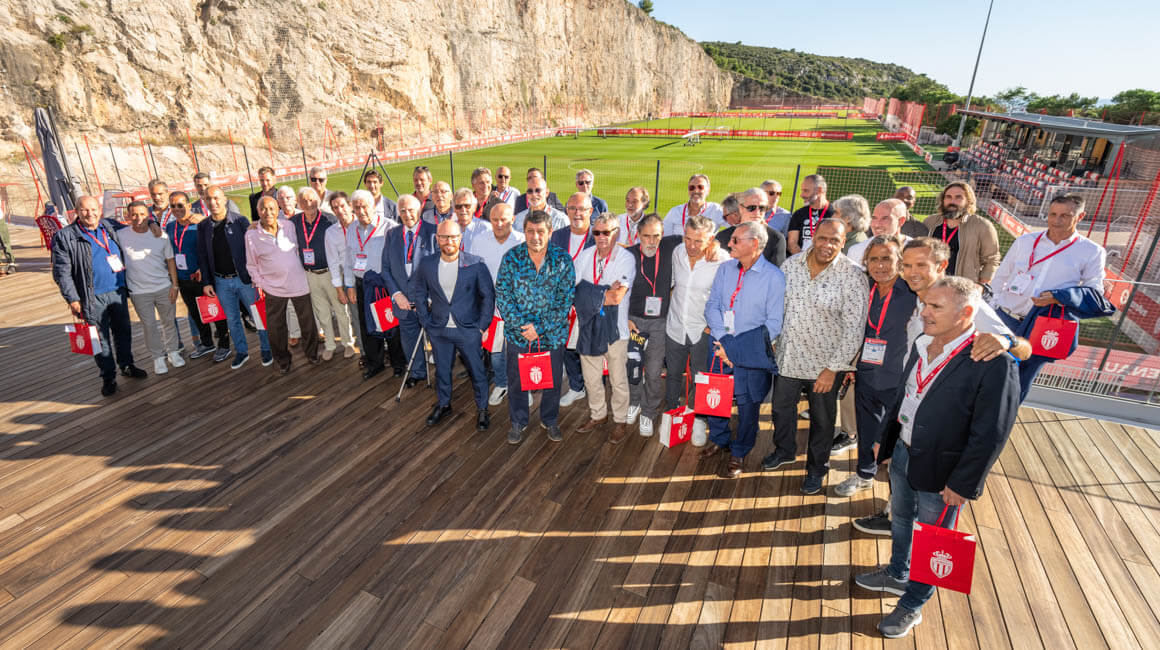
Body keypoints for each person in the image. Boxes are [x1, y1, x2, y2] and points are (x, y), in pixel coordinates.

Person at [855, 276, 1019, 639]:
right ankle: (897, 573)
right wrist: (887, 439)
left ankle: (913, 604)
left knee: (935, 539)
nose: (924, 312)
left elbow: (990, 434)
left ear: (967, 314)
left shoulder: (993, 363)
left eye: (935, 307)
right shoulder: (922, 342)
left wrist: (963, 484)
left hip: (945, 471)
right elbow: (905, 396)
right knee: (900, 518)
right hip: (903, 453)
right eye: (925, 304)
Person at [850, 236, 1031, 536]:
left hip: (943, 428)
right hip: (911, 405)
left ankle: (915, 572)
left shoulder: (958, 301)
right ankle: (894, 521)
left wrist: (1008, 340)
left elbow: (1022, 350)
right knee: (906, 488)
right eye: (907, 265)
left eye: (921, 265)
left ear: (942, 266)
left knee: (933, 522)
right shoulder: (915, 297)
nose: (911, 272)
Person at [763, 219, 869, 495]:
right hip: (788, 357)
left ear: (844, 241)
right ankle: (784, 451)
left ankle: (816, 468)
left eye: (835, 240)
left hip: (824, 366)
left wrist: (833, 369)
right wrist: (773, 341)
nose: (827, 245)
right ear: (813, 237)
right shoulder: (791, 265)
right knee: (780, 411)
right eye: (822, 238)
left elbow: (854, 329)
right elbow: (777, 308)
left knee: (822, 422)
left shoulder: (853, 276)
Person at [989, 193, 1107, 399]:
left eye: (1065, 215)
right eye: (1052, 214)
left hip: (1044, 326)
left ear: (1080, 217)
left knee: (1021, 381)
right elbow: (1001, 276)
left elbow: (1094, 291)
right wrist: (994, 306)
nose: (1056, 220)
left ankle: (1002, 423)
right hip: (1006, 318)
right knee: (988, 372)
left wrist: (1058, 297)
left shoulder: (1091, 251)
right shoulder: (1025, 241)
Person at [831, 235, 917, 497]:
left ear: (899, 261)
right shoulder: (862, 287)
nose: (880, 265)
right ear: (866, 262)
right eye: (874, 259)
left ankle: (898, 496)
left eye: (887, 259)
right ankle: (864, 474)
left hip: (900, 377)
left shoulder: (912, 292)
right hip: (866, 371)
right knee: (867, 429)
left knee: (899, 438)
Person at [701, 221, 786, 478]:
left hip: (750, 354)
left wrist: (735, 349)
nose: (729, 244)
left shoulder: (774, 277)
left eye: (736, 240)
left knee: (749, 406)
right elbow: (712, 305)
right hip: (719, 344)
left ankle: (740, 449)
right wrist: (723, 339)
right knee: (715, 395)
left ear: (755, 244)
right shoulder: (726, 269)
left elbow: (774, 324)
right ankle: (719, 437)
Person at [52, 196, 149, 396]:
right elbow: (62, 272)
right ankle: (108, 376)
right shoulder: (65, 236)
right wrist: (72, 298)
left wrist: (154, 224)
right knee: (100, 339)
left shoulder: (109, 226)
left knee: (123, 331)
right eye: (85, 210)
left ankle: (127, 365)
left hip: (118, 290)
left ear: (100, 210)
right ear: (76, 211)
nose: (90, 214)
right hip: (91, 296)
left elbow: (138, 223)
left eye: (94, 209)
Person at [496, 210, 576, 444]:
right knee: (517, 381)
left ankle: (549, 420)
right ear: (524, 231)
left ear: (550, 232)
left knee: (551, 381)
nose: (535, 236)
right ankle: (518, 421)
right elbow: (503, 295)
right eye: (530, 231)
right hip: (519, 336)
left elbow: (565, 300)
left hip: (551, 336)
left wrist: (539, 328)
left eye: (540, 231)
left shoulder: (562, 259)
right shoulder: (511, 258)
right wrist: (524, 327)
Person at [411, 219, 496, 430]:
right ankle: (443, 404)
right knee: (441, 370)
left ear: (460, 238)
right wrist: (425, 321)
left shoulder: (476, 264)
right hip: (439, 329)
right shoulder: (427, 264)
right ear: (437, 239)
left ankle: (483, 409)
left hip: (468, 330)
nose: (448, 241)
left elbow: (488, 297)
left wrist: (481, 327)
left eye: (453, 236)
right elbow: (419, 292)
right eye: (444, 237)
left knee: (477, 372)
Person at [572, 213, 635, 442]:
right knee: (591, 377)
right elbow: (573, 291)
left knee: (618, 379)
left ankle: (620, 420)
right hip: (588, 325)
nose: (601, 237)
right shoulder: (585, 256)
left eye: (606, 232)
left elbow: (617, 297)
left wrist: (588, 292)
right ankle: (598, 414)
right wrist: (602, 291)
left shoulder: (626, 258)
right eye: (596, 232)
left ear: (616, 232)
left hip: (615, 328)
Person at [666, 214, 728, 444]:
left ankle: (698, 420)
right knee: (672, 375)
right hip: (675, 325)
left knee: (701, 377)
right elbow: (673, 284)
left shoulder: (722, 260)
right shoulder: (677, 252)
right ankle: (672, 414)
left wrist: (715, 325)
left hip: (703, 329)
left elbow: (729, 296)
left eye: (698, 241)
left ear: (710, 239)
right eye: (688, 238)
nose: (691, 246)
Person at [197, 186, 272, 369]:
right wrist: (207, 282)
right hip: (221, 282)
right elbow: (203, 257)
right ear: (204, 201)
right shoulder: (203, 226)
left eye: (216, 198)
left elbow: (254, 249)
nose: (213, 202)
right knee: (232, 319)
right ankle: (242, 352)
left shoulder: (239, 221)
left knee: (257, 316)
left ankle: (266, 348)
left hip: (244, 279)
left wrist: (257, 277)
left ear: (224, 199)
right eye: (209, 199)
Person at [245, 196, 321, 373]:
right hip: (273, 287)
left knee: (308, 323)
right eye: (264, 209)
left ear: (277, 209)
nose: (268, 212)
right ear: (258, 212)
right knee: (276, 328)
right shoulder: (251, 235)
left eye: (272, 208)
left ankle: (312, 354)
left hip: (298, 282)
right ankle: (283, 360)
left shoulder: (289, 225)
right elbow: (251, 264)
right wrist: (261, 283)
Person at [625, 214, 680, 436]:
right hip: (634, 321)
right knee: (633, 368)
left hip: (659, 321)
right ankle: (634, 402)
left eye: (656, 236)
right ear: (638, 235)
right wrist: (625, 319)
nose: (651, 241)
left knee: (655, 371)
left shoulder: (671, 246)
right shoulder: (628, 255)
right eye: (646, 236)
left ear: (662, 235)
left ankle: (648, 411)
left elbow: (701, 238)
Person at [120, 201, 183, 376]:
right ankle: (157, 357)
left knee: (169, 321)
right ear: (128, 216)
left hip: (163, 287)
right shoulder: (120, 235)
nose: (138, 218)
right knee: (149, 325)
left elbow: (170, 260)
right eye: (134, 214)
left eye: (142, 214)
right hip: (139, 291)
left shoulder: (160, 236)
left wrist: (174, 285)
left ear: (148, 216)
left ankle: (173, 352)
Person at [382, 195, 438, 386]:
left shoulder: (433, 233)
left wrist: (430, 297)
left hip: (429, 302)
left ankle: (443, 373)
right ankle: (417, 372)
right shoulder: (392, 234)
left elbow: (441, 268)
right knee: (409, 339)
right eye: (403, 210)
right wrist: (397, 295)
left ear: (419, 210)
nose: (407, 214)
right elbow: (386, 268)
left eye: (411, 210)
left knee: (438, 340)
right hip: (402, 301)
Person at [473, 203, 525, 406]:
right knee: (495, 352)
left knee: (517, 349)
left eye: (504, 219)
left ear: (512, 219)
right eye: (495, 219)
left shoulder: (522, 241)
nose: (499, 223)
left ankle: (521, 387)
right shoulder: (479, 241)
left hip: (517, 306)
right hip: (490, 306)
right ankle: (502, 384)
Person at [291, 187, 351, 361]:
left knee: (340, 310)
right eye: (303, 201)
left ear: (317, 201)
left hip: (330, 273)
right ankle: (330, 345)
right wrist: (254, 224)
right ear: (299, 203)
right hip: (310, 274)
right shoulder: (294, 221)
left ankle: (347, 343)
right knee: (322, 312)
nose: (308, 204)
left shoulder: (329, 219)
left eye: (311, 200)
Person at [165, 191, 226, 360]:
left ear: (189, 205)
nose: (177, 209)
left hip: (201, 278)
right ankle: (206, 343)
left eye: (180, 205)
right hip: (183, 279)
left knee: (215, 312)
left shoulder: (201, 223)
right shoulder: (170, 227)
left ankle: (224, 344)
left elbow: (212, 247)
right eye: (173, 206)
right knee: (195, 314)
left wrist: (202, 268)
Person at [343, 190, 395, 379]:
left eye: (364, 206)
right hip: (362, 284)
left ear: (373, 206)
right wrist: (349, 285)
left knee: (391, 323)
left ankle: (398, 363)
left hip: (384, 284)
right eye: (356, 207)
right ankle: (375, 363)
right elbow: (348, 260)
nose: (361, 210)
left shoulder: (389, 227)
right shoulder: (351, 229)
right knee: (367, 326)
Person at [552, 193, 597, 407]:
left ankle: (595, 389)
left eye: (582, 208)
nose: (577, 213)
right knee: (567, 348)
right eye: (572, 208)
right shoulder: (558, 236)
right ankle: (576, 387)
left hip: (590, 303)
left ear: (590, 211)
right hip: (564, 303)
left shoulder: (599, 235)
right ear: (566, 211)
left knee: (591, 349)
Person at [923, 181, 1000, 286]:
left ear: (968, 201)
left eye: (958, 197)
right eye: (948, 197)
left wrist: (981, 287)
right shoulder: (930, 222)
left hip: (962, 289)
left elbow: (992, 260)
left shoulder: (983, 226)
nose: (952, 201)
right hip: (930, 285)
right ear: (943, 200)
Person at [325, 191, 361, 359]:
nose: (339, 210)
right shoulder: (331, 232)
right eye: (335, 208)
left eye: (342, 206)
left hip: (366, 275)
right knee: (356, 316)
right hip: (347, 278)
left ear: (350, 206)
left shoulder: (362, 224)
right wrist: (340, 289)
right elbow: (332, 262)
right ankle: (364, 350)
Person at [716, 187, 787, 266]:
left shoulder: (776, 238)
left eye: (762, 208)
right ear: (740, 208)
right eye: (751, 208)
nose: (757, 212)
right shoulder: (722, 237)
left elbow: (776, 274)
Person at [847, 198, 912, 267]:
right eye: (874, 218)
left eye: (885, 218)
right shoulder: (856, 251)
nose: (877, 224)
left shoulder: (916, 250)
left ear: (901, 221)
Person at [786, 174, 835, 254]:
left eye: (806, 191)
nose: (801, 195)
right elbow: (792, 243)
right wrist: (805, 261)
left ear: (819, 190)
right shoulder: (798, 214)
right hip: (802, 260)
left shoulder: (835, 214)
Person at [452, 188, 491, 253]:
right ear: (454, 209)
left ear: (474, 207)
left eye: (467, 206)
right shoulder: (449, 229)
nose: (463, 209)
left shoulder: (486, 228)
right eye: (458, 206)